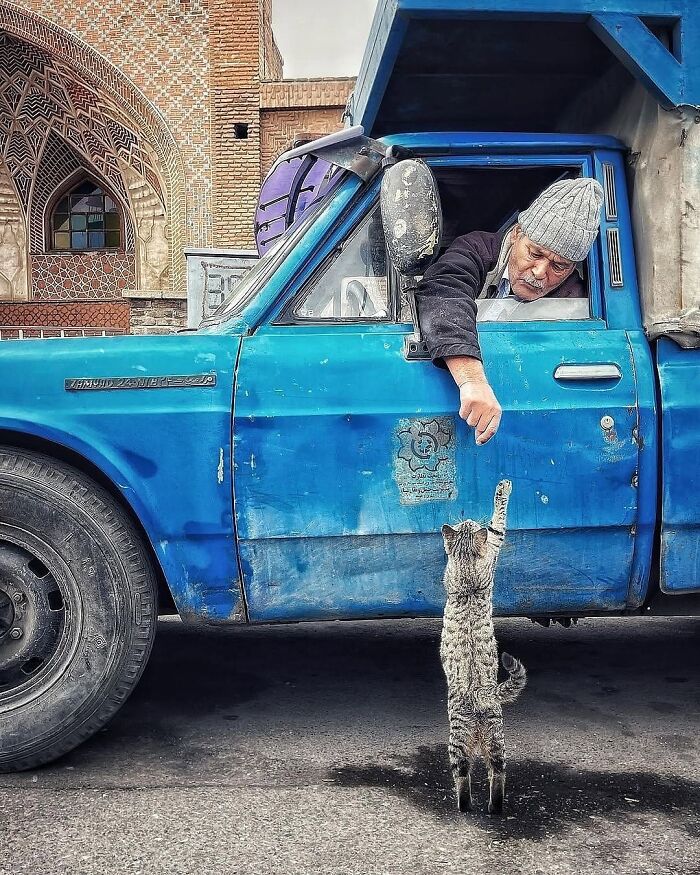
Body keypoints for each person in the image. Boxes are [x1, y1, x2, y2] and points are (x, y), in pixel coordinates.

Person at [415, 177, 604, 446]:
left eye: (559, 266)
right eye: (535, 253)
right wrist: (472, 381)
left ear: (572, 269)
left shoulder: (577, 297)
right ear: (516, 234)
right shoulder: (477, 250)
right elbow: (443, 291)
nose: (540, 272)